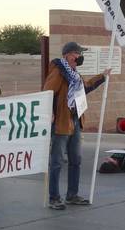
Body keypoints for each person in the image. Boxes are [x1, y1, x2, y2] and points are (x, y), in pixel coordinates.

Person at [43, 42, 109, 210]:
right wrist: (49, 112)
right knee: (57, 162)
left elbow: (84, 88)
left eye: (80, 54)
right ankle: (54, 197)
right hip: (61, 123)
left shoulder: (74, 75)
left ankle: (72, 195)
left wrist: (102, 77)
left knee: (75, 160)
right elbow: (47, 93)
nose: (79, 57)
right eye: (77, 54)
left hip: (75, 121)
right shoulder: (59, 72)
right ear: (68, 55)